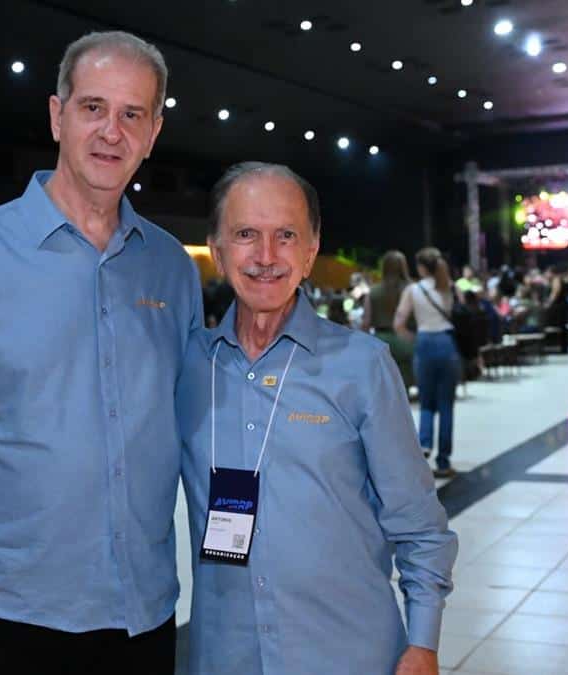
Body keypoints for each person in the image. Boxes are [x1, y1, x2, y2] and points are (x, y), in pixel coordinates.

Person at [0, 31, 202, 675]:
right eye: (93, 107)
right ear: (57, 116)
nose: (111, 131)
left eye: (132, 114)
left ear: (153, 133)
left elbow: (194, 438)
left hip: (141, 614)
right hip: (2, 614)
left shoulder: (171, 267)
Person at [177, 162, 456, 675]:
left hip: (348, 653)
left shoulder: (362, 366)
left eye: (286, 235)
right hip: (226, 656)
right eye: (245, 234)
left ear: (311, 251)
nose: (266, 256)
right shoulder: (188, 366)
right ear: (216, 250)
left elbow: (418, 522)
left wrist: (423, 641)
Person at [394, 247, 462, 478]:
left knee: (426, 402)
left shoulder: (413, 290)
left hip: (424, 342)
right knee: (446, 405)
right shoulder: (450, 287)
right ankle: (444, 461)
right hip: (447, 343)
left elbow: (399, 323)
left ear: (422, 267)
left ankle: (424, 446)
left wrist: (414, 338)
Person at [362, 250, 415, 393]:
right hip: (407, 340)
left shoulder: (373, 292)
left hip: (380, 340)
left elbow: (366, 323)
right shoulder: (412, 290)